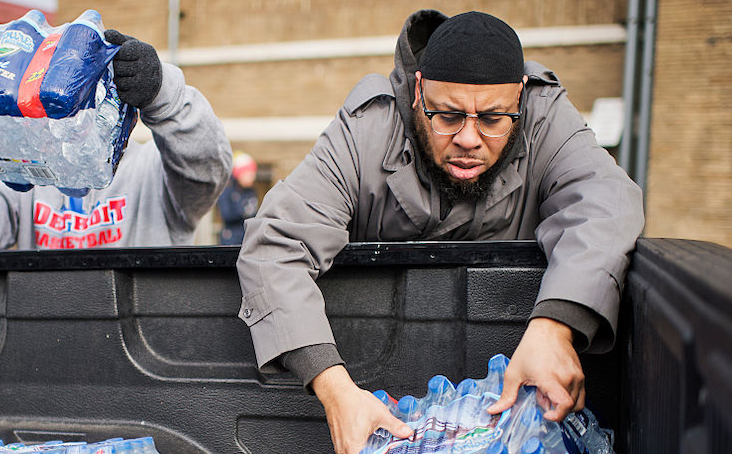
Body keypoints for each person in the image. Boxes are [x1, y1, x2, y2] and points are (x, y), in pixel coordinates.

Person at [235, 10, 644, 454]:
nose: (469, 138)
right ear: (417, 91)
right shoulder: (369, 127)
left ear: (520, 100)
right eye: (447, 115)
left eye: (492, 119)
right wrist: (334, 388)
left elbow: (608, 201)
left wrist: (556, 327)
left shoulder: (547, 118)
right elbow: (274, 245)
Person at [0, 30, 232, 250]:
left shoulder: (153, 170)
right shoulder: (31, 168)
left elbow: (206, 168)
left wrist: (163, 93)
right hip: (44, 330)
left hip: (139, 331)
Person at [217, 152, 259, 245]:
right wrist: (245, 213)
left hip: (248, 238)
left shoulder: (250, 191)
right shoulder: (227, 191)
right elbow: (227, 215)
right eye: (248, 174)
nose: (252, 177)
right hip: (231, 239)